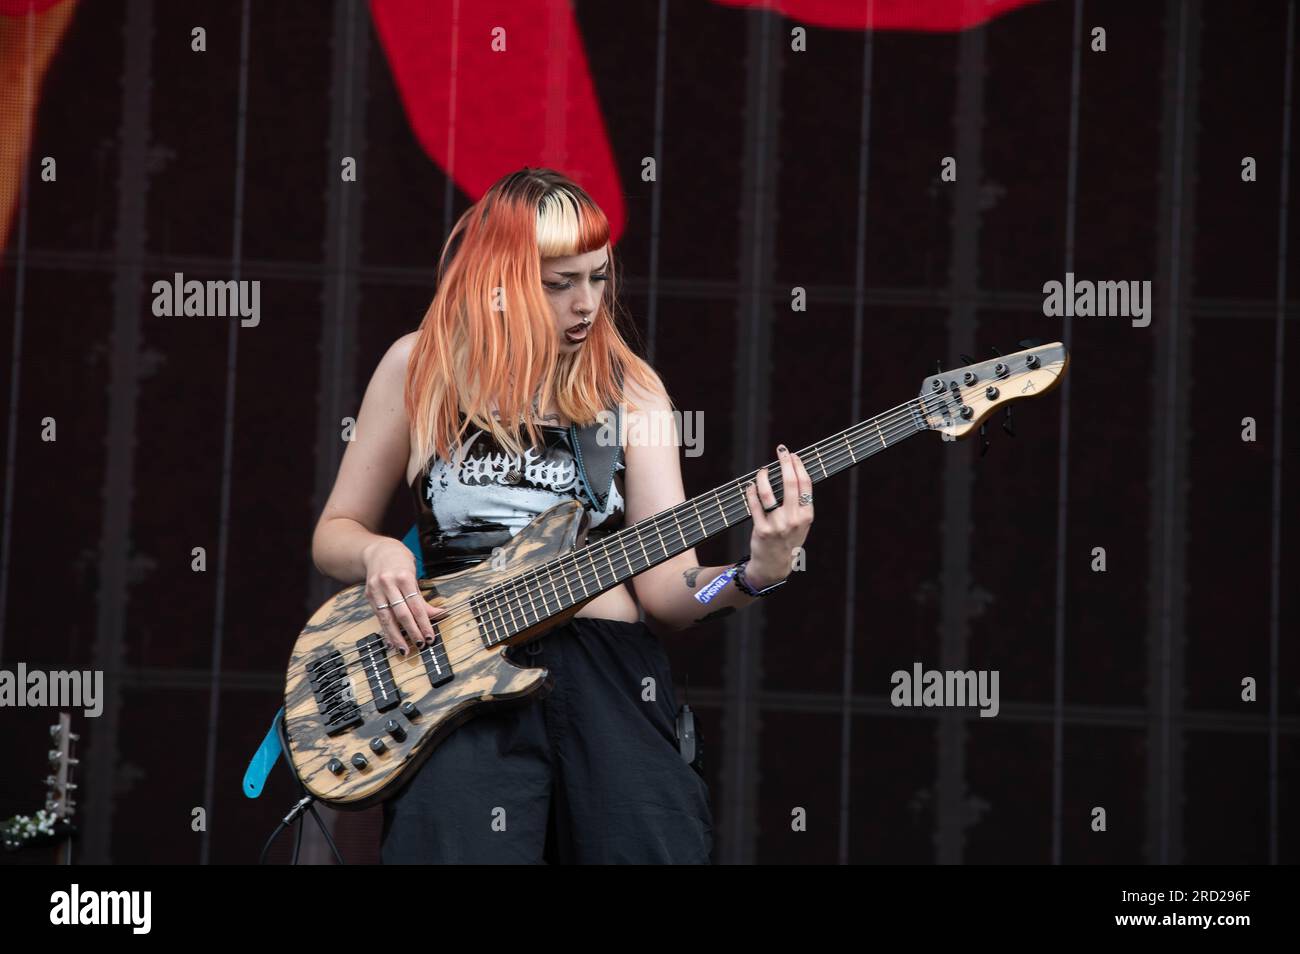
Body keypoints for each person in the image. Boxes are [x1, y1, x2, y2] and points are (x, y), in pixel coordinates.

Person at [311, 167, 814, 864]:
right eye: (558, 283)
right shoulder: (421, 365)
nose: (586, 304)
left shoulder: (630, 389)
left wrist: (758, 570)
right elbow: (334, 533)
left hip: (606, 675)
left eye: (599, 278)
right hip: (456, 672)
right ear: (500, 278)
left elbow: (670, 595)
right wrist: (375, 554)